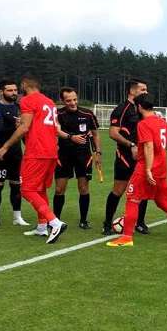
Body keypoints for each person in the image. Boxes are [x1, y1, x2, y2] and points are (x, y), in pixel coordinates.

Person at [106, 95, 167, 248]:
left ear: (139, 107)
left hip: (146, 168)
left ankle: (127, 237)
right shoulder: (162, 122)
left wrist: (147, 168)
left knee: (132, 199)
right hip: (161, 167)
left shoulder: (143, 124)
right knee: (162, 201)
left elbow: (148, 146)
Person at [0, 75, 68, 244]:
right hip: (51, 151)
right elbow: (48, 126)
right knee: (40, 189)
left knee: (27, 189)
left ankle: (54, 222)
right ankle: (42, 227)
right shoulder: (49, 101)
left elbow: (25, 127)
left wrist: (5, 147)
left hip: (37, 151)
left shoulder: (28, 100)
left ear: (25, 85)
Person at [103, 78, 150, 235]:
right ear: (132, 91)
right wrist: (131, 145)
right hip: (125, 156)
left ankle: (140, 222)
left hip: (142, 158)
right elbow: (113, 133)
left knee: (142, 191)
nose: (146, 92)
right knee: (119, 190)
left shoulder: (143, 110)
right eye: (143, 89)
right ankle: (107, 224)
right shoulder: (122, 109)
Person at [54, 87, 101, 229]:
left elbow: (95, 134)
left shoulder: (87, 114)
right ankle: (55, 221)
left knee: (83, 188)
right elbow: (55, 131)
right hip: (63, 155)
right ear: (63, 100)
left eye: (75, 99)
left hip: (83, 155)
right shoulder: (58, 113)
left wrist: (98, 152)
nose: (73, 103)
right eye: (68, 101)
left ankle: (83, 220)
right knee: (59, 189)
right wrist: (71, 137)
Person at [0, 80, 30, 228]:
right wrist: (17, 125)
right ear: (1, 91)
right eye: (9, 90)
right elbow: (0, 128)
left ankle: (17, 216)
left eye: (15, 90)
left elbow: (24, 132)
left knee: (16, 185)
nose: (14, 93)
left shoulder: (20, 108)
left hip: (16, 152)